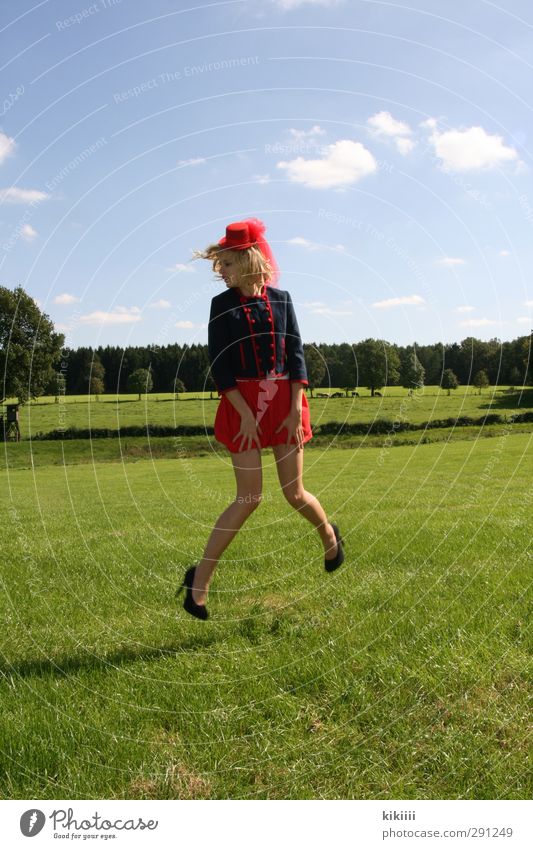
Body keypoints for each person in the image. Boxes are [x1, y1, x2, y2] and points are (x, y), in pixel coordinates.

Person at [177, 218, 345, 620]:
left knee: (294, 493)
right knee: (248, 498)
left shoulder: (283, 299)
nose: (222, 273)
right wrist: (245, 415)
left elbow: (297, 357)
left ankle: (330, 538)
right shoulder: (222, 305)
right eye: (219, 265)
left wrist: (293, 410)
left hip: (285, 401)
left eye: (229, 264)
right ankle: (198, 582)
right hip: (242, 405)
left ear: (251, 259)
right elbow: (220, 367)